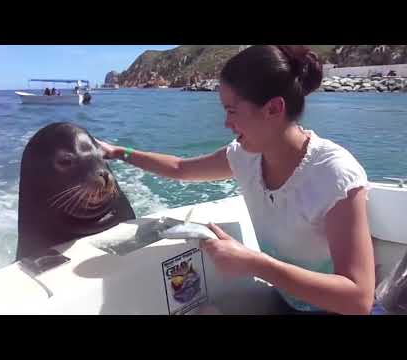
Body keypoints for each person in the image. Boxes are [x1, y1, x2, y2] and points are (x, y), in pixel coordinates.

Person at [96, 45, 375, 315]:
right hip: (285, 302)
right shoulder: (246, 157)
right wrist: (121, 153)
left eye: (231, 111)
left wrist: (255, 264)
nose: (225, 123)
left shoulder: (334, 174)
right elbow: (181, 168)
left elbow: (358, 299)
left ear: (273, 109)